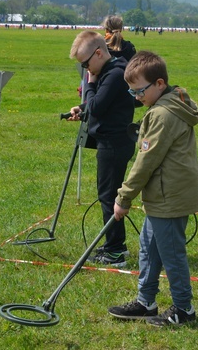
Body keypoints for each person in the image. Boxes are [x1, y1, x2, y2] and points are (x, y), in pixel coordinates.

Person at [108, 51, 198, 327]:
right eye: (131, 92)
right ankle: (145, 301)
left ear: (160, 83)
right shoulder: (166, 104)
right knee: (148, 248)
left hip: (169, 197)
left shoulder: (162, 115)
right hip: (160, 195)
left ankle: (184, 309)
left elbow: (145, 162)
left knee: (172, 255)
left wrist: (123, 197)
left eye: (140, 91)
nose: (136, 97)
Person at [67, 30, 136, 267]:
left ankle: (116, 251)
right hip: (113, 140)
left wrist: (90, 84)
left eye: (86, 64)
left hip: (114, 143)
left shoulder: (114, 74)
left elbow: (96, 106)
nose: (86, 69)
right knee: (109, 195)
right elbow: (98, 105)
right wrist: (81, 107)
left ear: (98, 53)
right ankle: (114, 245)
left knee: (108, 197)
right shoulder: (110, 70)